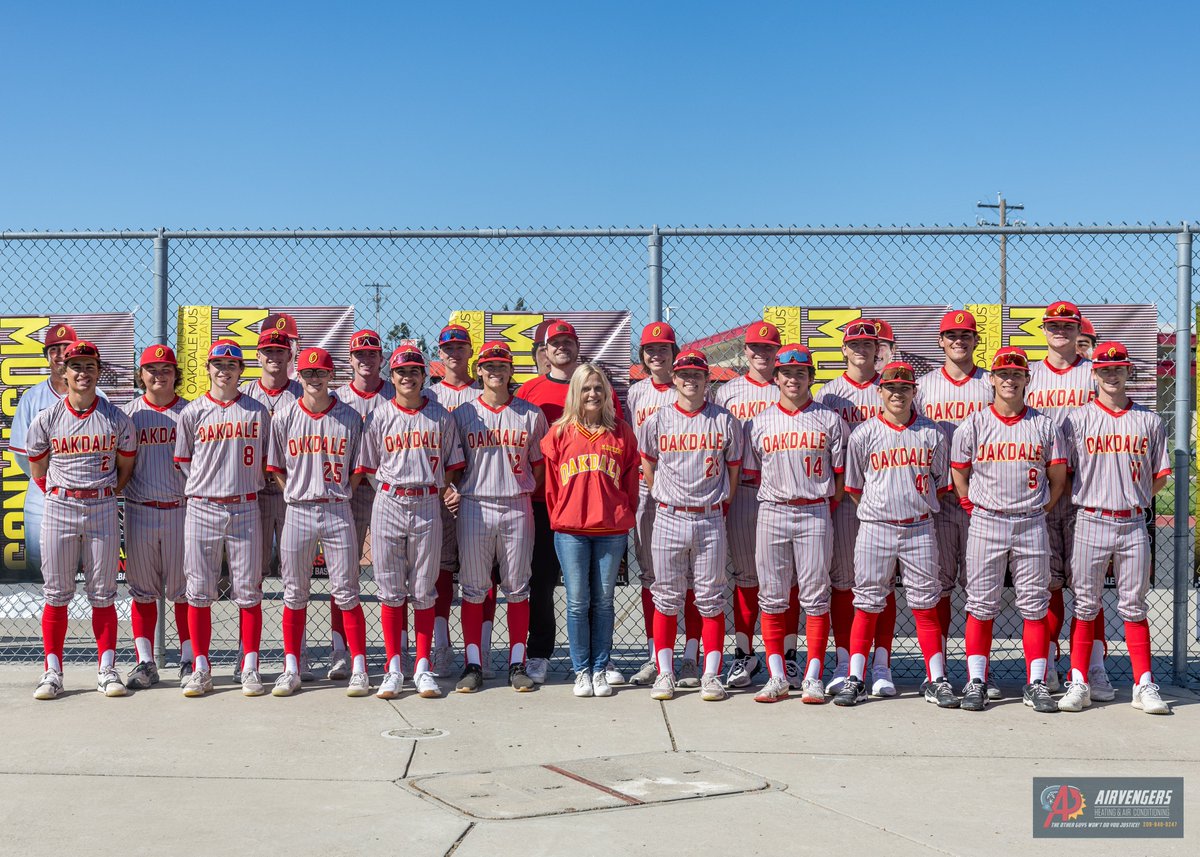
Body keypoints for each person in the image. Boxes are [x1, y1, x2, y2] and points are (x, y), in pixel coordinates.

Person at [950, 347, 1067, 714]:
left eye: (1017, 374)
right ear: (993, 379)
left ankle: (1035, 683)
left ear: (1027, 379)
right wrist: (972, 507)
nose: (1010, 379)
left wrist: (1038, 509)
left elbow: (1058, 479)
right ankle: (977, 681)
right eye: (1003, 373)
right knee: (981, 604)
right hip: (987, 520)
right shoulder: (974, 424)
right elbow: (959, 472)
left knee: (1034, 605)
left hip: (1031, 520)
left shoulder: (1045, 425)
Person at [1059, 341, 1172, 715]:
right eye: (1105, 369)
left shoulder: (1149, 420)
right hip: (1090, 518)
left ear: (1128, 373)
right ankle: (1080, 680)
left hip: (1133, 521)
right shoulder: (1075, 420)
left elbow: (1159, 478)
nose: (1112, 374)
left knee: (1134, 606)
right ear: (1094, 373)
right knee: (1086, 604)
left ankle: (1144, 684)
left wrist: (1133, 496)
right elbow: (1065, 472)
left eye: (1118, 368)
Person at [835, 361, 954, 708]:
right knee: (867, 603)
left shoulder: (932, 433)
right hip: (876, 526)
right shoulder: (863, 434)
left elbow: (940, 484)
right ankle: (856, 677)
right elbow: (855, 487)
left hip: (918, 526)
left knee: (926, 604)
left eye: (904, 388)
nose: (897, 394)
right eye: (891, 388)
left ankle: (936, 678)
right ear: (880, 392)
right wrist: (883, 507)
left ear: (914, 392)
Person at [515, 319, 623, 685]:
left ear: (577, 347)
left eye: (568, 341)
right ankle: (541, 652)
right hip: (545, 501)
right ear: (543, 350)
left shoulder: (599, 388)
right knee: (542, 581)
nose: (561, 347)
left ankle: (599, 661)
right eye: (554, 342)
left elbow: (619, 448)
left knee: (595, 590)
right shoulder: (530, 389)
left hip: (595, 504)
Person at [354, 345, 465, 699]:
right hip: (388, 500)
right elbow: (368, 468)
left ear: (423, 375)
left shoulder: (441, 417)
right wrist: (390, 490)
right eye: (401, 371)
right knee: (389, 589)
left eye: (415, 370)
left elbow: (452, 466)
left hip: (427, 502)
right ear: (393, 375)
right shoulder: (379, 416)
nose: (408, 377)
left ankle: (421, 666)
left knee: (423, 589)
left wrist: (434, 487)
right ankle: (392, 668)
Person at [29, 341, 136, 700]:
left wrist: (101, 491)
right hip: (60, 505)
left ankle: (106, 669)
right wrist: (64, 492)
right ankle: (53, 671)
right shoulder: (47, 418)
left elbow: (125, 468)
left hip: (102, 506)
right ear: (64, 371)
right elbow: (38, 470)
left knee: (103, 594)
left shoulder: (116, 418)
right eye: (75, 366)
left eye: (89, 366)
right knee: (57, 594)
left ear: (98, 370)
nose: (82, 373)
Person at [741, 344, 847, 703]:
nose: (793, 379)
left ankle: (814, 675)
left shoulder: (830, 419)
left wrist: (816, 502)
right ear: (776, 377)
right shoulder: (758, 422)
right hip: (772, 509)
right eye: (786, 373)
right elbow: (753, 473)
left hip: (816, 509)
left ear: (811, 377)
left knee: (816, 596)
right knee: (772, 597)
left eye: (801, 372)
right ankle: (777, 676)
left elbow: (839, 477)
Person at [638, 349, 742, 702]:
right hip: (668, 514)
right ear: (675, 377)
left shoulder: (724, 420)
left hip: (709, 515)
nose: (690, 379)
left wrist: (718, 502)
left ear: (707, 379)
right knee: (666, 598)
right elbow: (648, 464)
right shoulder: (658, 419)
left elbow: (733, 469)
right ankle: (665, 672)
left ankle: (710, 674)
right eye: (684, 373)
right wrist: (660, 495)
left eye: (697, 374)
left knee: (710, 599)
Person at [267, 347, 370, 697]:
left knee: (347, 591)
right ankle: (292, 667)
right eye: (308, 374)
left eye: (320, 373)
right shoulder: (283, 417)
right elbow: (276, 468)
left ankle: (358, 667)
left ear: (331, 376)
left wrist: (340, 491)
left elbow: (358, 469)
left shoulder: (350, 418)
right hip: (298, 508)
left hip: (338, 507)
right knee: (295, 593)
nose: (314, 379)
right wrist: (292, 492)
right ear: (299, 376)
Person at [174, 339, 272, 698]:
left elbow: (265, 459)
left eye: (231, 365)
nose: (223, 370)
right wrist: (207, 486)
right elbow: (184, 461)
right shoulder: (193, 412)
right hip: (202, 505)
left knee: (248, 591)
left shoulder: (257, 411)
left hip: (246, 505)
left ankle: (249, 665)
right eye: (217, 363)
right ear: (208, 368)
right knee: (199, 591)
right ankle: (201, 666)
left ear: (241, 371)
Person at [453, 341, 548, 693]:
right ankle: (473, 664)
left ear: (511, 370)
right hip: (475, 503)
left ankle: (517, 664)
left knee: (518, 588)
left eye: (502, 365)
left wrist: (519, 486)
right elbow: (454, 466)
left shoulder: (529, 413)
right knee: (475, 589)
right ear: (479, 370)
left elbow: (539, 466)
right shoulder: (463, 414)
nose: (495, 371)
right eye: (489, 365)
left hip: (516, 502)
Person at [540, 363, 640, 697]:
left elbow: (630, 484)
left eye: (598, 388)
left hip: (611, 529)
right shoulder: (559, 432)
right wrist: (560, 516)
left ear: (608, 393)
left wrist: (623, 512)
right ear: (575, 393)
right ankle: (580, 670)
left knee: (604, 601)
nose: (593, 394)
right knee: (577, 602)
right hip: (570, 530)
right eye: (586, 388)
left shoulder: (621, 431)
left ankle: (600, 668)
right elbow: (551, 485)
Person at [1024, 300, 1106, 695]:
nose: (1060, 331)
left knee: (1088, 586)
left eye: (1067, 325)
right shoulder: (1030, 375)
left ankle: (1094, 665)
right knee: (1048, 583)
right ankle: (1052, 661)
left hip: (1089, 485)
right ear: (1043, 329)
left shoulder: (1095, 373)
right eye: (1053, 325)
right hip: (1040, 487)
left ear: (1080, 331)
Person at [814, 319, 897, 697]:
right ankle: (846, 659)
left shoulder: (893, 388)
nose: (862, 348)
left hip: (887, 500)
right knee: (845, 583)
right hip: (846, 500)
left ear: (878, 349)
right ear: (843, 349)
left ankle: (882, 663)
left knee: (883, 584)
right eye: (855, 343)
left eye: (869, 343)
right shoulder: (830, 396)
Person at [915, 309, 995, 696]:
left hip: (982, 498)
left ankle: (978, 672)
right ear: (941, 341)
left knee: (981, 590)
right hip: (940, 498)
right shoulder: (926, 386)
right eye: (951, 335)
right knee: (940, 587)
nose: (958, 341)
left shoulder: (989, 385)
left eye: (966, 335)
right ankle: (941, 670)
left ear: (976, 341)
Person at [625, 322, 705, 688]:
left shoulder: (692, 389)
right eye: (650, 350)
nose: (656, 355)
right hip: (647, 492)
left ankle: (690, 654)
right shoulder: (636, 393)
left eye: (663, 349)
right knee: (652, 575)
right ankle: (656, 654)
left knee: (691, 576)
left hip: (688, 496)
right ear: (642, 356)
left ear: (674, 354)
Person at [422, 324, 498, 678]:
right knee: (438, 570)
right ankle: (441, 645)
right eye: (447, 348)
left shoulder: (482, 393)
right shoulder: (430, 395)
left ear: (471, 353)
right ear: (439, 354)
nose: (454, 353)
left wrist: (461, 490)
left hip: (476, 497)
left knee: (481, 575)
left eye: (460, 347)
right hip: (437, 496)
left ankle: (481, 646)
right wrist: (444, 490)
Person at [711, 321, 781, 690]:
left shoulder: (789, 386)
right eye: (754, 347)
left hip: (782, 495)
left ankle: (787, 656)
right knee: (745, 577)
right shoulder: (729, 393)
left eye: (768, 347)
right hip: (743, 492)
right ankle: (743, 654)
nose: (760, 353)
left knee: (787, 578)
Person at [10, 323, 107, 576]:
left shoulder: (102, 398)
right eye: (54, 348)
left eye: (65, 347)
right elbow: (23, 455)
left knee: (93, 573)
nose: (60, 353)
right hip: (43, 498)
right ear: (47, 356)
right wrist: (47, 483)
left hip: (90, 497)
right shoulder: (33, 398)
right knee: (42, 574)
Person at [121, 345, 191, 689]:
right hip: (140, 508)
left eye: (166, 369)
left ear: (176, 374)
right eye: (151, 369)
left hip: (181, 509)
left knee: (185, 591)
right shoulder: (128, 414)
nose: (159, 375)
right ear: (141, 374)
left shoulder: (191, 413)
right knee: (143, 592)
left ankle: (190, 659)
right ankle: (145, 662)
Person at [329, 328, 393, 681]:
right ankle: (342, 652)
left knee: (397, 573)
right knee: (344, 574)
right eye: (359, 354)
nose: (365, 360)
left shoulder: (397, 391)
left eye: (372, 354)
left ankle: (397, 651)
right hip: (349, 492)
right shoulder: (337, 398)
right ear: (349, 360)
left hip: (387, 492)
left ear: (381, 359)